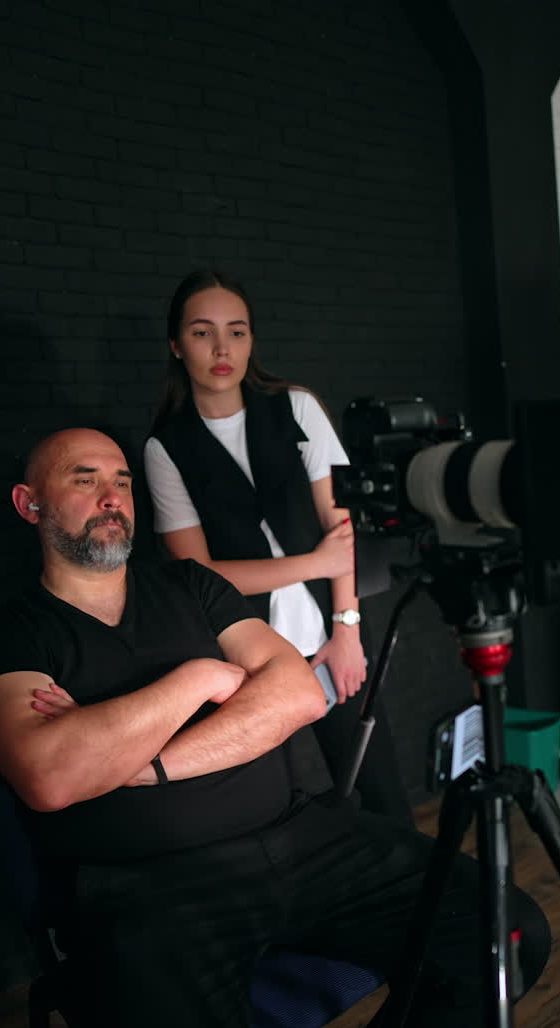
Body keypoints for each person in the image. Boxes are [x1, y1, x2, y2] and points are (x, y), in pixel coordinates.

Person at [0, 427, 551, 1028]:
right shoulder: (7, 631)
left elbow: (300, 695)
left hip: (300, 841)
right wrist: (202, 678)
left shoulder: (193, 588)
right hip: (147, 892)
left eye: (123, 480)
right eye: (84, 478)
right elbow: (49, 773)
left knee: (506, 938)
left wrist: (132, 757)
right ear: (29, 503)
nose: (113, 496)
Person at [144, 269, 414, 824]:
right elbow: (197, 573)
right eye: (202, 332)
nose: (223, 348)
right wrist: (313, 562)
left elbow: (342, 524)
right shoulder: (164, 447)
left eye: (237, 332)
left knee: (380, 789)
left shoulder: (296, 407)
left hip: (331, 635)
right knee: (270, 809)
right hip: (245, 659)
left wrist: (347, 630)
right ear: (176, 344)